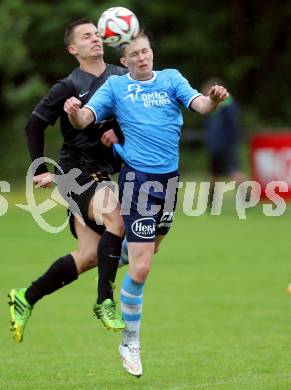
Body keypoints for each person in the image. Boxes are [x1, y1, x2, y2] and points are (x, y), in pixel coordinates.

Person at [64, 31, 229, 377]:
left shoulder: (171, 79)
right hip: (137, 181)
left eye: (146, 51)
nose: (142, 57)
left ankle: (100, 256)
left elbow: (200, 105)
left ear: (152, 52)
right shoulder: (116, 88)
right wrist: (76, 112)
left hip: (168, 183)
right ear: (124, 62)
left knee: (148, 252)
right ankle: (130, 341)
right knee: (141, 269)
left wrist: (213, 99)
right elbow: (86, 119)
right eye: (134, 54)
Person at [8, 18, 129, 344]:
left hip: (104, 172)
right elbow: (33, 125)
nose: (95, 40)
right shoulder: (68, 86)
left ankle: (26, 296)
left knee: (89, 255)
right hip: (76, 174)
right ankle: (105, 301)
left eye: (97, 34)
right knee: (115, 218)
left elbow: (133, 119)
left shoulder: (120, 77)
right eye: (86, 37)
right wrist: (38, 170)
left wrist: (117, 132)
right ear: (73, 49)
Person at [201, 78, 246, 207]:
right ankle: (212, 203)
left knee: (235, 172)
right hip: (215, 147)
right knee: (214, 175)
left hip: (227, 146)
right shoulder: (211, 106)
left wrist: (231, 143)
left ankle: (246, 200)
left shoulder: (229, 104)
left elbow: (234, 126)